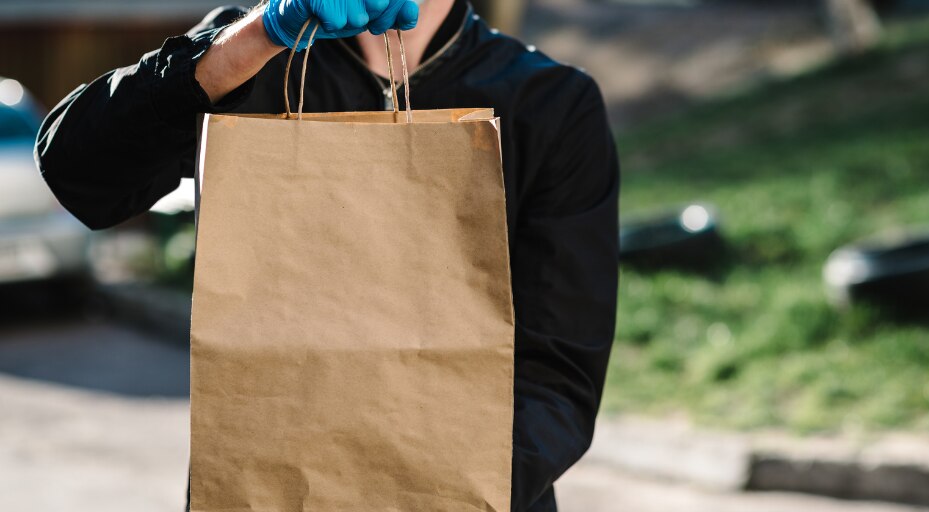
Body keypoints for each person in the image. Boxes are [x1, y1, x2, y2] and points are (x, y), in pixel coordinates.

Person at [35, 1, 619, 510]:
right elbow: (79, 174)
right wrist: (255, 38)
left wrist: (421, 495)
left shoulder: (551, 102)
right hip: (262, 494)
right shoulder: (251, 53)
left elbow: (558, 376)